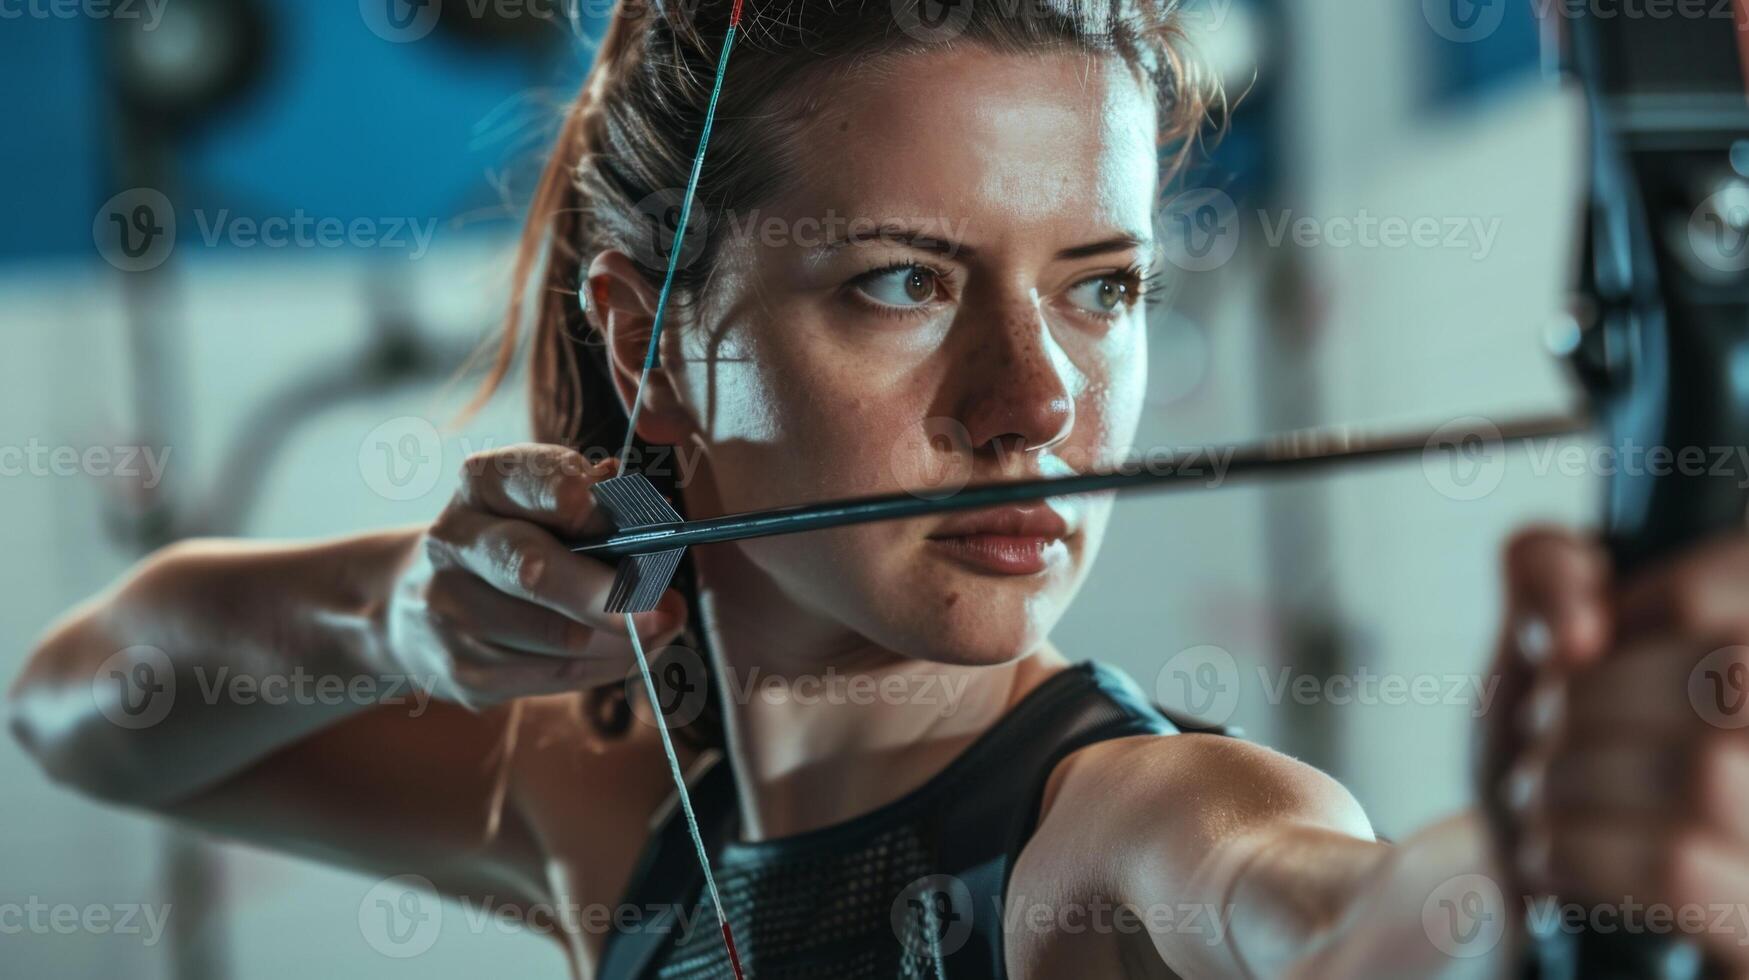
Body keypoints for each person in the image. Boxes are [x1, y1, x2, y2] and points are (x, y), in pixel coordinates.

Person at [14, 2, 1749, 976]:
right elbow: (87, 707)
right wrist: (394, 610)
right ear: (649, 339)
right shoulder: (607, 809)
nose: (1035, 404)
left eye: (1104, 285)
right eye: (902, 283)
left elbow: (1343, 918)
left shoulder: (1126, 835)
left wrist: (1556, 887)